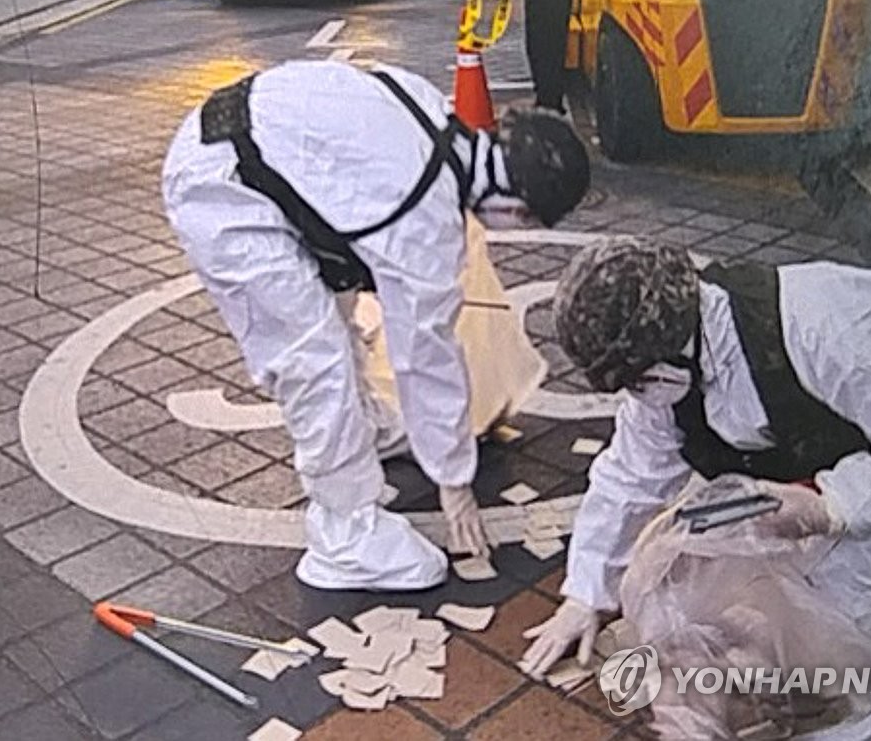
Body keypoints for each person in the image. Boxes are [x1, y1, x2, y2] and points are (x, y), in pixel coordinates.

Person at [163, 60, 590, 591]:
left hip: (241, 147)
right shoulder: (426, 220)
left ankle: (362, 427)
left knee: (334, 315)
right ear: (518, 209)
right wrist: (454, 482)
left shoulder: (429, 108)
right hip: (222, 192)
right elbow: (425, 358)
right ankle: (344, 534)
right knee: (312, 358)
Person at [519, 238, 871, 736]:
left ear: (676, 340)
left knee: (859, 680)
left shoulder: (827, 323)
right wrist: (586, 594)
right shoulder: (664, 375)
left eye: (639, 379)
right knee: (778, 637)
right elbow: (629, 478)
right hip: (816, 476)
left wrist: (831, 506)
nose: (638, 395)